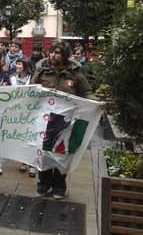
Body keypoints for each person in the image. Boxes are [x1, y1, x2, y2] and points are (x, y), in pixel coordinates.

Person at [31, 41, 95, 199]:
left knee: (62, 154)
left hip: (66, 122)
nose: (53, 55)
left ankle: (59, 186)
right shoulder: (42, 70)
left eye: (57, 52)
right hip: (44, 121)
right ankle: (43, 184)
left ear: (65, 56)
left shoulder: (75, 73)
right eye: (52, 52)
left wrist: (94, 105)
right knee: (44, 154)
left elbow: (86, 92)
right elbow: (31, 90)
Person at [9, 57, 36, 178]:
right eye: (17, 64)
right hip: (18, 113)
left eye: (19, 64)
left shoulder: (33, 79)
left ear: (26, 65)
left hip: (32, 112)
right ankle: (23, 162)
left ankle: (32, 164)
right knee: (21, 137)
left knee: (31, 137)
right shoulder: (12, 78)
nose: (17, 66)